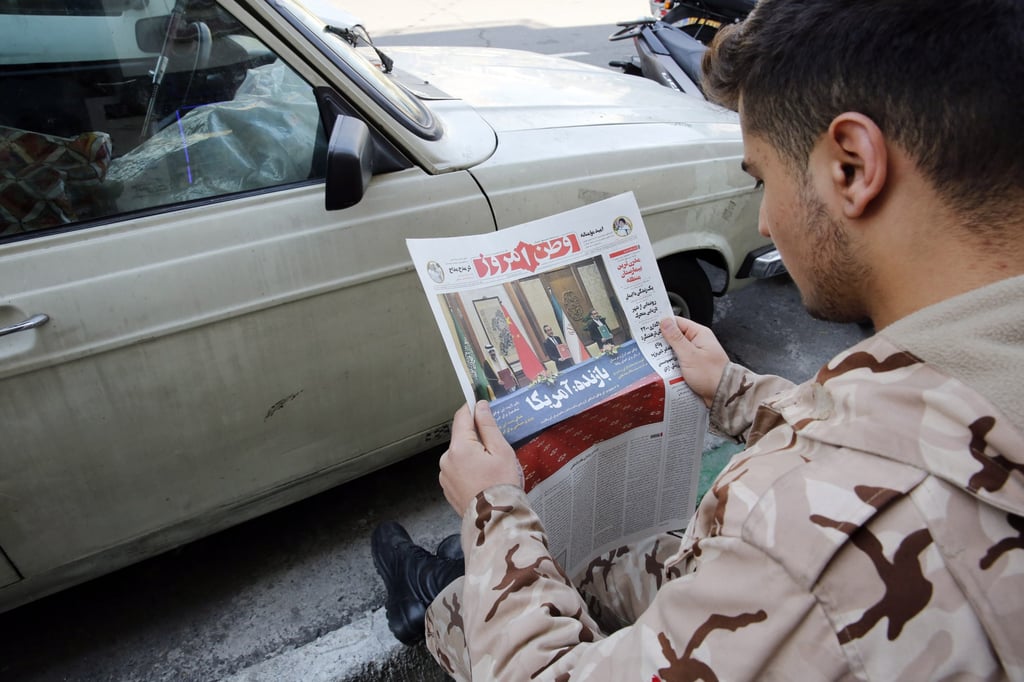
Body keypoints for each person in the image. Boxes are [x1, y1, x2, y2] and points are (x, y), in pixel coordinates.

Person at [371, 0, 1024, 678]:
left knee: (480, 604)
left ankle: (432, 596)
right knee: (605, 563)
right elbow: (930, 426)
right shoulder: (969, 351)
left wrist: (492, 512)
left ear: (852, 166)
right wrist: (735, 391)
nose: (766, 223)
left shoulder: (810, 549)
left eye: (762, 178)